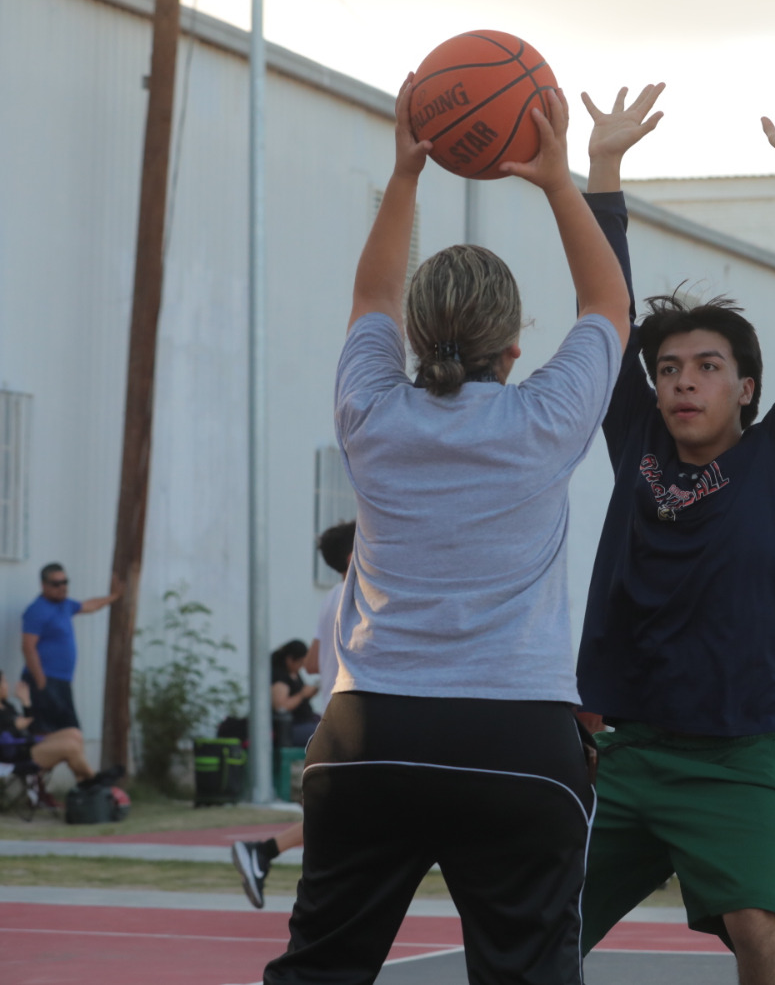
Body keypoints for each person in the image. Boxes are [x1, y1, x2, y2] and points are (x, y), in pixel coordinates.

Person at [262, 73, 628, 984]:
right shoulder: (545, 419)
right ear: (515, 347)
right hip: (516, 740)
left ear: (414, 339)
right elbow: (607, 306)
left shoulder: (372, 412)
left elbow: (370, 298)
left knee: (319, 972)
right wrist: (557, 181)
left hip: (370, 732)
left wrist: (405, 175)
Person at [573, 80, 775, 983]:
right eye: (667, 369)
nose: (683, 381)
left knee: (762, 928)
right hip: (633, 752)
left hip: (746, 751)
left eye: (706, 366)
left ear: (746, 388)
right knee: (533, 928)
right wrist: (602, 171)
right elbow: (604, 311)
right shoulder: (637, 442)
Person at [234, 522, 356, 909]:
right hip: (355, 721)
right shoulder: (361, 593)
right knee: (353, 813)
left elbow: (313, 663)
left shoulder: (332, 596)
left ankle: (265, 854)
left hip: (335, 719)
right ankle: (266, 855)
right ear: (354, 555)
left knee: (342, 814)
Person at [21, 563, 120, 734]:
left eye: (65, 582)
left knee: (70, 732)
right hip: (45, 679)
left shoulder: (65, 605)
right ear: (44, 585)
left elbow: (89, 605)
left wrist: (114, 596)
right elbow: (28, 647)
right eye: (56, 583)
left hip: (61, 681)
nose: (62, 587)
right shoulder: (37, 610)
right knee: (50, 733)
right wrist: (41, 682)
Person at [0, 670, 121, 792]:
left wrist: (26, 702)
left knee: (74, 733)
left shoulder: (7, 706)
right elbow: (12, 731)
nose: (7, 685)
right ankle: (93, 778)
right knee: (70, 747)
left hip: (28, 745)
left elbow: (29, 727)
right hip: (16, 757)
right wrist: (13, 727)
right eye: (4, 682)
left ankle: (85, 782)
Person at [270, 642, 320, 748]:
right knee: (328, 733)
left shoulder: (294, 673)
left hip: (306, 721)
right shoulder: (280, 678)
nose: (301, 667)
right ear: (290, 660)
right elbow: (281, 707)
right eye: (300, 663)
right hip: (293, 727)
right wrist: (302, 694)